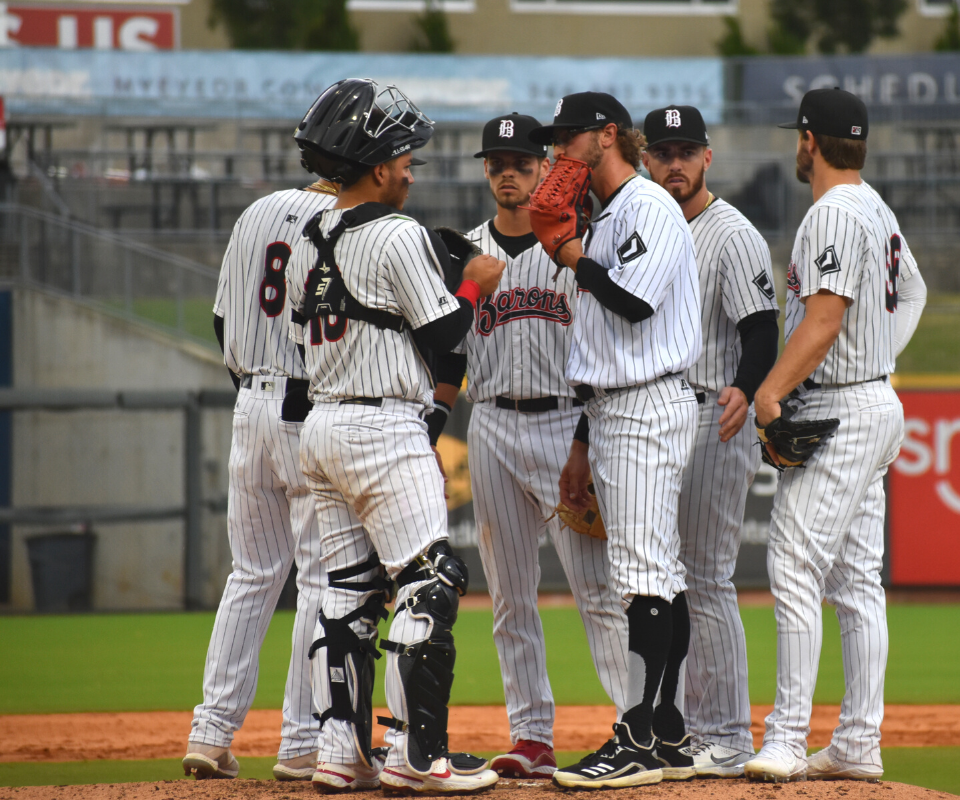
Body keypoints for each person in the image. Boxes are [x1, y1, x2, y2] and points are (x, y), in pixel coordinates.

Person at [285, 78, 505, 795]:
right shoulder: (398, 232)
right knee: (429, 579)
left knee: (346, 593)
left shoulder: (310, 235)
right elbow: (447, 334)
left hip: (322, 425)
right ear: (377, 165)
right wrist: (475, 280)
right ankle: (419, 755)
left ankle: (337, 752)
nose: (411, 168)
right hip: (383, 427)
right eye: (405, 156)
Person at [428, 113, 630, 779]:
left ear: (545, 168)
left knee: (597, 590)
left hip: (564, 423)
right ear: (485, 171)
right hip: (489, 426)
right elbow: (447, 347)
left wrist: (585, 439)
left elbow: (604, 351)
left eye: (519, 160)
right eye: (496, 162)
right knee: (508, 596)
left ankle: (638, 726)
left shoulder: (573, 246)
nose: (507, 171)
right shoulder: (464, 253)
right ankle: (531, 736)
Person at [743, 87, 925, 784]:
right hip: (874, 401)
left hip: (842, 408)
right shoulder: (876, 208)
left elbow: (821, 321)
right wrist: (882, 361)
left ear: (810, 142)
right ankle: (857, 742)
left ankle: (788, 737)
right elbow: (915, 293)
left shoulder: (832, 213)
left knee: (792, 563)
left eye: (800, 136)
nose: (798, 146)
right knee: (855, 581)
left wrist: (769, 392)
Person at [528, 91, 701, 790]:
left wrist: (571, 253)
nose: (560, 152)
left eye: (570, 138)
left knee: (641, 577)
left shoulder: (647, 205)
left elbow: (634, 301)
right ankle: (666, 733)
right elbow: (598, 343)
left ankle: (633, 735)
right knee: (659, 571)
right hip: (613, 407)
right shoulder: (608, 217)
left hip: (645, 404)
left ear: (608, 135)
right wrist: (578, 438)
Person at [183, 169, 337, 783]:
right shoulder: (341, 220)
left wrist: (255, 393)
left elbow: (223, 320)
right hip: (309, 405)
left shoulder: (256, 211)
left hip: (249, 403)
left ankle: (210, 732)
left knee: (251, 575)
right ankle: (300, 740)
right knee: (320, 576)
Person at [639, 105, 779, 779]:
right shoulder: (643, 223)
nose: (675, 162)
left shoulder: (732, 233)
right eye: (663, 151)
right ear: (643, 157)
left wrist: (746, 389)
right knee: (666, 581)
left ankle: (725, 733)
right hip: (651, 413)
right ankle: (686, 726)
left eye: (685, 150)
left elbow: (761, 329)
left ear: (707, 158)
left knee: (707, 579)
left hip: (709, 410)